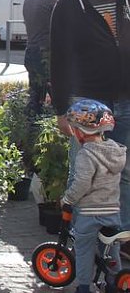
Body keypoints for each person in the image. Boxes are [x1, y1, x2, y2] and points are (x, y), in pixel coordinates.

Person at [51, 0, 130, 234]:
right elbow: (59, 60)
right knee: (85, 171)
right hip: (88, 101)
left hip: (126, 98)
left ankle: (121, 237)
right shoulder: (69, 7)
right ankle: (83, 236)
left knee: (126, 172)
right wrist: (61, 110)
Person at [61, 99, 125, 293]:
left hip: (89, 213)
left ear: (79, 131)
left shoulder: (86, 155)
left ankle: (84, 287)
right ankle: (115, 282)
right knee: (111, 248)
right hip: (113, 210)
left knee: (84, 250)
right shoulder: (115, 151)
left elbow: (81, 183)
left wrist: (68, 199)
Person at [22, 0, 71, 115]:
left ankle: (31, 131)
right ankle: (64, 133)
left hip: (31, 52)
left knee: (36, 98)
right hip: (48, 55)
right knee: (62, 100)